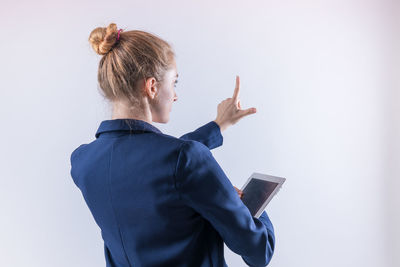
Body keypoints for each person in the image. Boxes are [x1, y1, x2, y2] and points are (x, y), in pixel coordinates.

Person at [70, 23, 275, 267]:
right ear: (152, 86)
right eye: (174, 82)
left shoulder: (82, 162)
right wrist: (247, 204)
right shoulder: (185, 159)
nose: (175, 95)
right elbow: (259, 250)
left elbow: (154, 162)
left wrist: (218, 125)